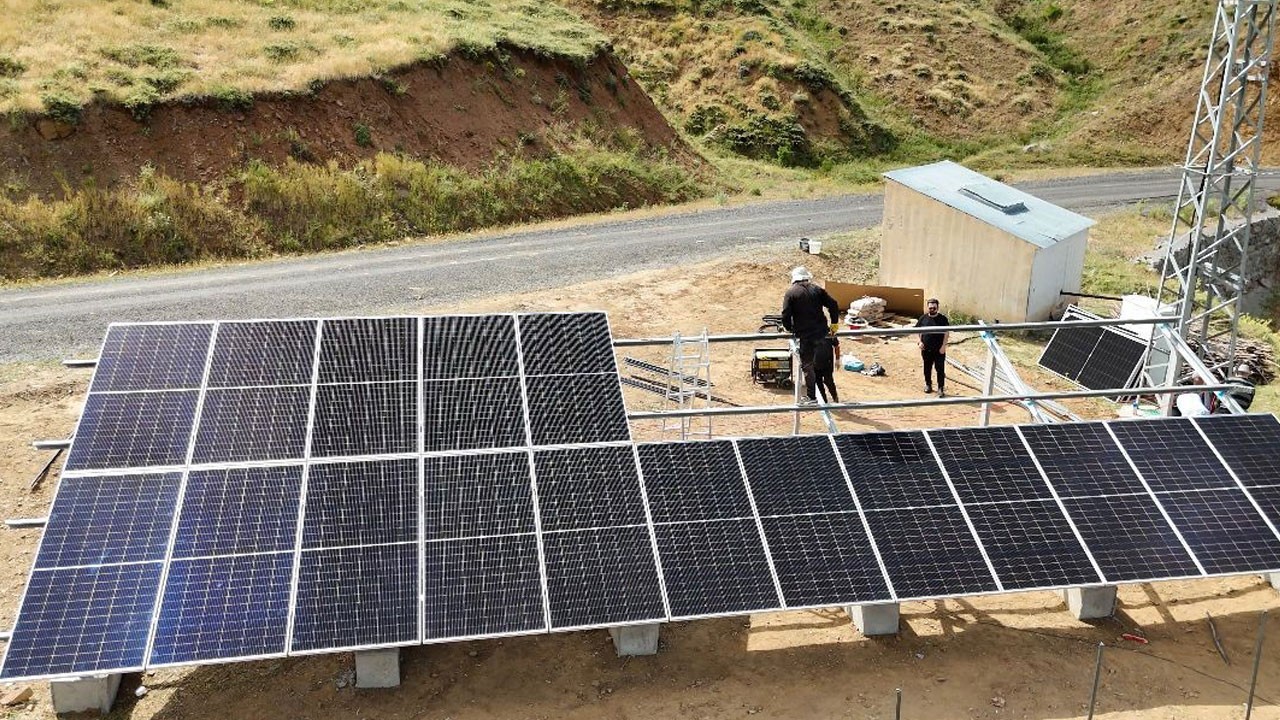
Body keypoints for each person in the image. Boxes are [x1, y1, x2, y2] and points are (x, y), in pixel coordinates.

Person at [781, 266, 840, 403]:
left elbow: (785, 314)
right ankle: (833, 399)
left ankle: (812, 396)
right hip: (823, 334)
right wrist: (834, 323)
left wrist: (789, 328)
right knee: (826, 372)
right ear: (807, 277)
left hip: (806, 336)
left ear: (794, 279)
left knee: (808, 366)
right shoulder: (817, 290)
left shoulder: (791, 293)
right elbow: (833, 304)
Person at [915, 297, 949, 397]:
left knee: (940, 369)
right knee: (927, 368)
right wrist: (919, 341)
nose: (932, 310)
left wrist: (943, 346)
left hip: (939, 350)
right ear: (928, 308)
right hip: (926, 349)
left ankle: (940, 388)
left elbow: (946, 333)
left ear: (937, 308)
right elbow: (918, 331)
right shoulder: (923, 318)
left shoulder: (943, 319)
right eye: (930, 308)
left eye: (934, 308)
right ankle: (928, 385)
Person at [812, 334, 840, 403]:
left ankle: (835, 398)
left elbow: (836, 346)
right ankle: (824, 401)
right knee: (818, 383)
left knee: (829, 381)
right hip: (815, 363)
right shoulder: (810, 331)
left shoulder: (829, 332)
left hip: (827, 363)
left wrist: (837, 359)